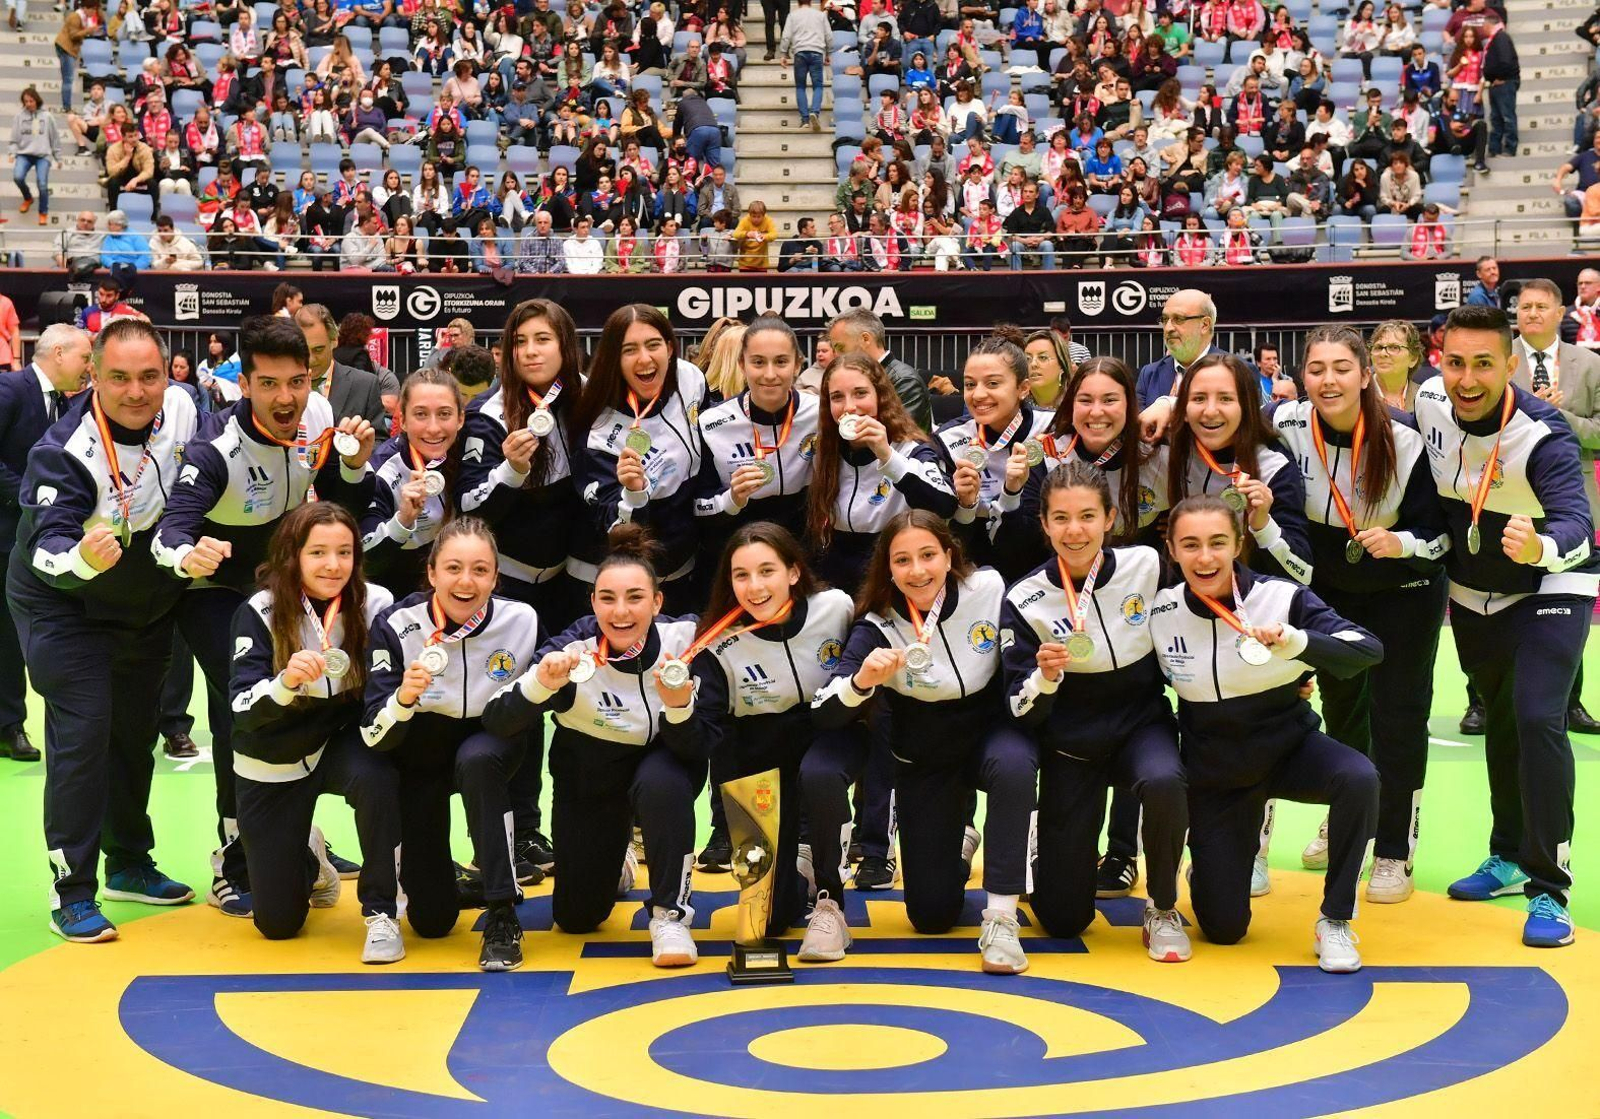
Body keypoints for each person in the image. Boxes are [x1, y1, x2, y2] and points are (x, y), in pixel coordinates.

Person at [153, 316, 378, 920]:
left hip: (286, 583)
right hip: (215, 589)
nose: (286, 398)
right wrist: (186, 552)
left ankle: (298, 829)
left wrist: (354, 466)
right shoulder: (214, 449)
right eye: (270, 383)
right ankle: (234, 853)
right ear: (243, 385)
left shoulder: (319, 418)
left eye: (297, 382)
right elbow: (172, 527)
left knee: (321, 693)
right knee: (244, 706)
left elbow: (338, 500)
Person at [1412, 306, 1597, 948]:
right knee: (1499, 715)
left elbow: (1577, 522)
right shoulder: (1431, 402)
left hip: (1551, 583)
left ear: (1510, 365)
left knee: (1539, 716)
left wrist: (1539, 547)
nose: (1467, 378)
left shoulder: (1543, 434)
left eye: (1484, 364)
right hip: (1472, 592)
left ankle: (1550, 888)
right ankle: (1509, 854)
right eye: (1456, 362)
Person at [9, 318, 198, 943]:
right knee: (84, 735)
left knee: (134, 734)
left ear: (167, 375)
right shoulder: (63, 449)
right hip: (62, 602)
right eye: (119, 377)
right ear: (93, 375)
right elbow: (46, 547)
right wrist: (81, 559)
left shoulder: (184, 412)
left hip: (141, 603)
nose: (136, 391)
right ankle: (74, 891)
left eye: (149, 376)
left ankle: (130, 864)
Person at [1152, 495, 1382, 970]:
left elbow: (1367, 648)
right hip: (1217, 774)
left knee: (1359, 778)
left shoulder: (1281, 597)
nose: (1205, 557)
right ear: (1172, 551)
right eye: (1190, 545)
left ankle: (1335, 920)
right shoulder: (1158, 611)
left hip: (1289, 748)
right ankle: (1215, 867)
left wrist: (1296, 644)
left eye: (1218, 542)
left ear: (1239, 543)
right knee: (1224, 929)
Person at [1266, 326, 1450, 903]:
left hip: (1405, 585)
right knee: (1342, 711)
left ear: (1366, 374)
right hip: (1330, 588)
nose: (1328, 380)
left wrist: (1404, 545)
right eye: (1316, 368)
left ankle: (1395, 846)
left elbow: (1441, 536)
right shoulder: (1288, 424)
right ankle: (1348, 817)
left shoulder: (1407, 439)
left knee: (1398, 714)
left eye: (1341, 368)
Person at [814, 510, 1038, 973]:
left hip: (990, 732)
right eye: (903, 560)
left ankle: (1001, 916)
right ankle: (956, 845)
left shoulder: (990, 590)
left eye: (928, 556)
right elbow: (828, 707)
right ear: (888, 568)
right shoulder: (877, 623)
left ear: (949, 555)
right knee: (931, 916)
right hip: (926, 750)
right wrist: (862, 680)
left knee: (1015, 766)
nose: (917, 571)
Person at [481, 526, 703, 965]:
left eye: (635, 597)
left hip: (664, 762)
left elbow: (702, 743)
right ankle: (614, 859)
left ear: (658, 602)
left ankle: (670, 914)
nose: (620, 612)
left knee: (663, 783)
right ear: (592, 601)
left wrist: (679, 707)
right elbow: (498, 718)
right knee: (577, 917)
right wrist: (542, 684)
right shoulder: (571, 648)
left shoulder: (688, 641)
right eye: (607, 598)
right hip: (591, 769)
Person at [1003, 461, 1190, 961]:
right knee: (1064, 922)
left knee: (1166, 781)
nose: (1075, 530)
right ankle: (1050, 853)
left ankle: (1163, 906)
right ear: (1043, 524)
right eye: (1061, 518)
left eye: (1087, 516)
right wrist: (1043, 677)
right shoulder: (1025, 598)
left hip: (1139, 725)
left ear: (1110, 518)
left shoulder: (1147, 565)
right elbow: (1016, 703)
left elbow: (1205, 612)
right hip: (1071, 743)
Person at [360, 518, 543, 971]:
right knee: (432, 920)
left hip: (490, 738)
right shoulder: (398, 625)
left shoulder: (521, 620)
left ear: (496, 578)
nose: (466, 581)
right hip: (422, 750)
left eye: (481, 570)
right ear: (432, 572)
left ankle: (502, 910)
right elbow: (372, 732)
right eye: (454, 568)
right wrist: (402, 699)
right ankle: (448, 883)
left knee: (478, 761)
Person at [459, 303, 601, 876]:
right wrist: (511, 471)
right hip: (511, 583)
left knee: (574, 700)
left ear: (566, 345)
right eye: (520, 341)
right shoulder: (490, 416)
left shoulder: (590, 399)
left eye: (544, 339)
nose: (531, 351)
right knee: (515, 708)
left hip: (571, 581)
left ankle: (578, 827)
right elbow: (469, 503)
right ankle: (516, 832)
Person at [669, 522, 857, 952]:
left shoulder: (835, 608)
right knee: (770, 921)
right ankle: (794, 873)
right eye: (741, 575)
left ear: (793, 572)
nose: (755, 587)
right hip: (757, 756)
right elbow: (705, 737)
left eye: (767, 571)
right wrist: (678, 707)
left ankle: (830, 896)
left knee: (821, 774)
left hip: (825, 739)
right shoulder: (717, 643)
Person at [227, 503, 403, 962]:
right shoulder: (260, 611)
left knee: (378, 775)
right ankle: (309, 856)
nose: (333, 565)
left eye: (344, 552)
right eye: (319, 552)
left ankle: (382, 910)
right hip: (274, 751)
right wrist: (284, 683)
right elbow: (241, 708)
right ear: (293, 556)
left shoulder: (378, 603)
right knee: (278, 924)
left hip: (340, 737)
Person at [571, 303, 707, 614]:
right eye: (629, 349)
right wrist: (633, 493)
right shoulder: (597, 429)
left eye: (654, 345)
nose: (645, 359)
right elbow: (617, 531)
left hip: (682, 573)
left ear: (670, 348)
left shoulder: (691, 380)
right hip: (611, 584)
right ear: (613, 359)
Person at [0, 324, 93, 764]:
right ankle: (8, 724)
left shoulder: (71, 404)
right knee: (4, 637)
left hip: (50, 540)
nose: (88, 368)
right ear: (58, 352)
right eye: (85, 357)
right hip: (8, 534)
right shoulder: (11, 388)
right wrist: (30, 497)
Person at [805, 352, 957, 590]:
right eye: (837, 397)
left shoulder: (911, 448)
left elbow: (945, 504)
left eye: (860, 393)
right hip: (837, 572)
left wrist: (886, 455)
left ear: (881, 396)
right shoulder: (823, 450)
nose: (849, 407)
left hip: (893, 569)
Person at [1168, 352, 1313, 587]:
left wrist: (1263, 525)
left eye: (1225, 399)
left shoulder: (1273, 466)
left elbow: (1303, 572)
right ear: (1184, 409)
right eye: (1199, 399)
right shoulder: (1169, 453)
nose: (1210, 410)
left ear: (1246, 407)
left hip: (1254, 608)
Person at [935, 336, 1053, 582]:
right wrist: (965, 506)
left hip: (1044, 562)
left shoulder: (1052, 428)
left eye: (992, 383)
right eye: (969, 384)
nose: (978, 395)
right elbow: (951, 540)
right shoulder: (949, 439)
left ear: (1023, 388)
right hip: (975, 569)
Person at [693, 316, 817, 544]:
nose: (770, 374)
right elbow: (698, 505)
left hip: (802, 551)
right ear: (742, 365)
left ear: (798, 364)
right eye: (758, 362)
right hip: (736, 547)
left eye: (781, 362)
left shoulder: (820, 414)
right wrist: (732, 498)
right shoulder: (712, 423)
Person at [362, 367, 465, 592]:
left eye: (444, 414)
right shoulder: (382, 471)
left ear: (460, 419)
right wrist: (403, 520)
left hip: (456, 579)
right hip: (397, 587)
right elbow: (366, 559)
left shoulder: (468, 450)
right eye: (420, 414)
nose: (433, 428)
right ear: (403, 420)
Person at [826, 308, 932, 434]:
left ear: (865, 339)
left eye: (840, 348)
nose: (836, 356)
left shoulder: (904, 381)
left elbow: (899, 438)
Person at [295, 303, 390, 436]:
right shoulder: (278, 387)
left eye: (318, 350)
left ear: (334, 341)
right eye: (303, 350)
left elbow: (378, 442)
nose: (310, 359)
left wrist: (355, 454)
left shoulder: (365, 385)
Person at [1135, 288, 1235, 407]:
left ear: (1204, 325)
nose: (1168, 328)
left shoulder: (1237, 371)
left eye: (1178, 319)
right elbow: (1139, 422)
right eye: (1165, 320)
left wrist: (1169, 406)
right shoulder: (1149, 374)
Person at [11, 87, 61, 227]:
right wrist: (12, 152)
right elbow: (14, 138)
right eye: (25, 101)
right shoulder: (19, 117)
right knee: (18, 177)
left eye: (31, 101)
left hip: (43, 155)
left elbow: (55, 138)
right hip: (24, 154)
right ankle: (28, 198)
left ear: (36, 100)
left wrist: (58, 157)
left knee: (43, 184)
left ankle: (43, 212)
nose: (28, 103)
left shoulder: (47, 116)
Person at [776, 0, 829, 132]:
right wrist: (829, 52)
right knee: (818, 86)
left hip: (800, 52)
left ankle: (805, 119)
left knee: (800, 86)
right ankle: (815, 113)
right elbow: (829, 35)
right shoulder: (820, 15)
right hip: (817, 52)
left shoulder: (793, 16)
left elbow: (786, 36)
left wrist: (783, 53)